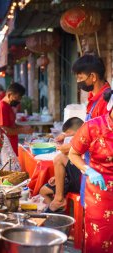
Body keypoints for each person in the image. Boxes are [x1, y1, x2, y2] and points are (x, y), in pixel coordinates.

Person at [68, 92, 113, 252]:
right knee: (99, 238)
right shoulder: (93, 126)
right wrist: (88, 170)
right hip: (99, 192)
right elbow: (73, 154)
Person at [69, 54, 111, 208]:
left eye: (80, 76)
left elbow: (102, 139)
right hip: (88, 163)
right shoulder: (95, 98)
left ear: (92, 77)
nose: (78, 81)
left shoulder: (106, 102)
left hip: (100, 168)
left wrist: (71, 147)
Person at [39, 117, 84, 208]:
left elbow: (66, 151)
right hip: (74, 174)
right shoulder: (76, 138)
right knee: (43, 191)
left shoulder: (85, 137)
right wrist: (58, 175)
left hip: (83, 179)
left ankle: (59, 199)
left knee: (59, 158)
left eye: (69, 135)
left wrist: (62, 147)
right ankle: (56, 215)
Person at [0, 82, 33, 155]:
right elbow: (4, 130)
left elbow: (11, 124)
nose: (19, 101)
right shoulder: (2, 107)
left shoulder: (8, 106)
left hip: (12, 145)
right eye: (17, 98)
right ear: (9, 94)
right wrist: (23, 130)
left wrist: (23, 127)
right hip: (6, 148)